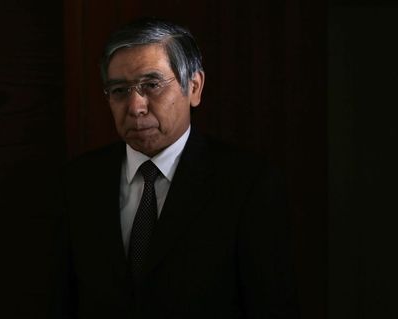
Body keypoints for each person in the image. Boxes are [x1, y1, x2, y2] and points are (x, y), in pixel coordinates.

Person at [57, 17, 299, 319]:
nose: (135, 107)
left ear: (194, 87)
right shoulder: (79, 181)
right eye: (119, 90)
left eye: (152, 85)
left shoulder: (248, 183)